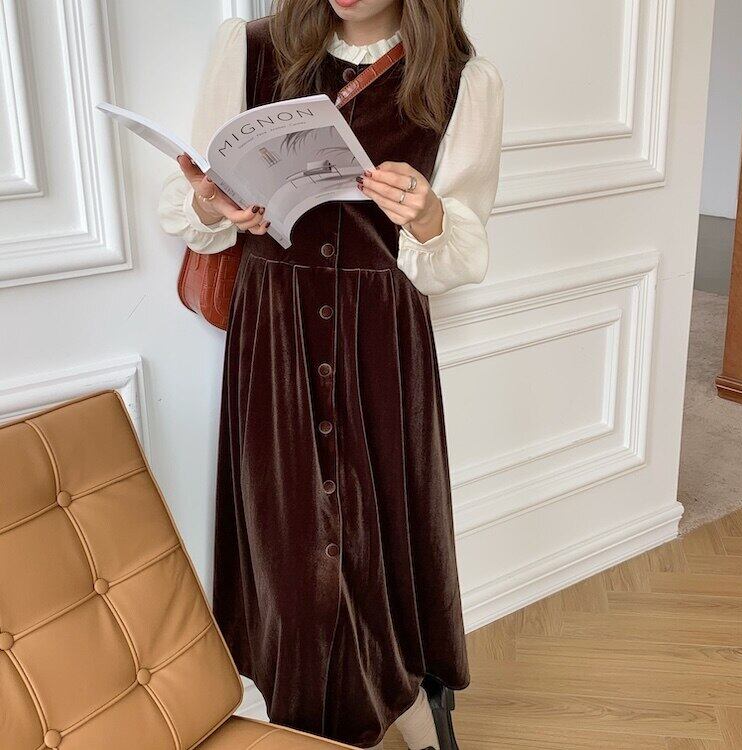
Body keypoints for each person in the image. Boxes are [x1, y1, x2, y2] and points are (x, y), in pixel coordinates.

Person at [158, 1, 503, 748]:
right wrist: (212, 205)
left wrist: (427, 215)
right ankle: (317, 719)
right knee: (286, 542)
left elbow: (460, 250)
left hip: (381, 335)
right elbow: (191, 207)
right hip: (274, 330)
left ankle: (403, 695)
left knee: (381, 535)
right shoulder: (247, 48)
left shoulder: (463, 80)